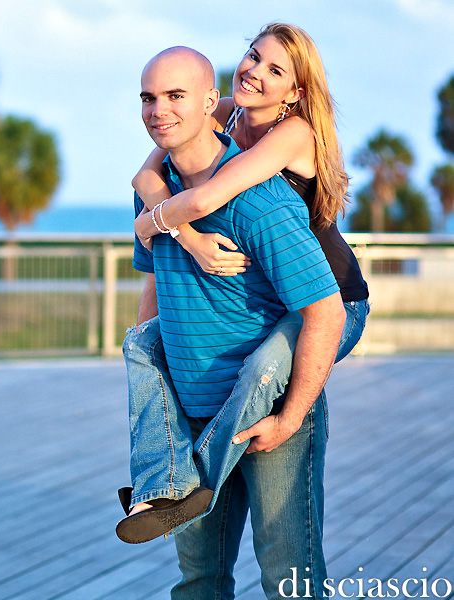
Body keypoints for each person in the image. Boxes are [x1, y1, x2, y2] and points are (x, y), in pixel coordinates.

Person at [117, 22, 369, 546]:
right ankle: (169, 483)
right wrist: (177, 234)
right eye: (253, 57)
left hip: (334, 299)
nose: (253, 72)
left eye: (275, 70)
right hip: (280, 296)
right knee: (142, 341)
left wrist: (154, 222)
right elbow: (147, 175)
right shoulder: (228, 108)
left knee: (263, 369)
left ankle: (186, 484)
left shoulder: (294, 132)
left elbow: (208, 198)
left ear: (296, 91)